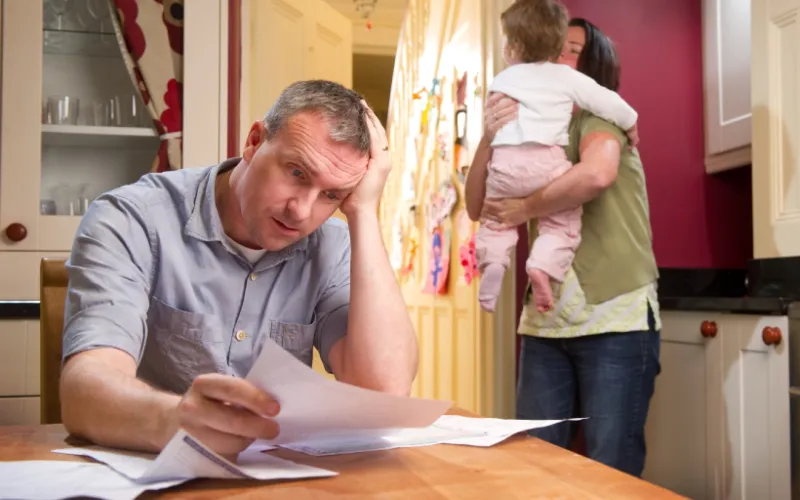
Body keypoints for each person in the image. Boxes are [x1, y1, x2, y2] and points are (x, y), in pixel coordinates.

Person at [59, 80, 419, 459]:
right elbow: (84, 391)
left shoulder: (333, 245)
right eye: (296, 172)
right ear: (253, 141)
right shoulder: (131, 219)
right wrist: (174, 421)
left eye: (332, 194)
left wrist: (362, 213)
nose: (300, 210)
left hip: (280, 477)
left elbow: (384, 392)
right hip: (150, 468)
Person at [464, 18, 661, 478]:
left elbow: (596, 173)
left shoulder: (600, 119)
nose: (555, 57)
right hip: (547, 325)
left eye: (569, 50)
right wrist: (488, 136)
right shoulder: (534, 126)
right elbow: (478, 206)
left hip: (614, 316)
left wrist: (524, 207)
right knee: (535, 464)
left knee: (609, 469)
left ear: (589, 66)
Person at [475, 0, 639, 314]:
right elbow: (609, 102)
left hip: (504, 166)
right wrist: (631, 123)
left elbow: (479, 206)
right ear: (554, 48)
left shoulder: (502, 79)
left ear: (513, 46)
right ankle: (543, 266)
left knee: (494, 224)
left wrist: (519, 206)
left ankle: (494, 262)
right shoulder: (566, 79)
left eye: (575, 50)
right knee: (562, 222)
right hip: (545, 161)